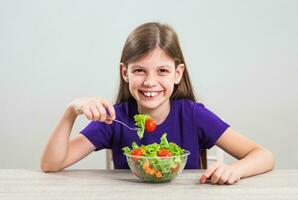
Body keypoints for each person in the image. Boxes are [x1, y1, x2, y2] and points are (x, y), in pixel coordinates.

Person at [41, 22, 274, 185]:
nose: (150, 82)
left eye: (162, 71)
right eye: (139, 71)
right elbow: (51, 164)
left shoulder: (193, 115)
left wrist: (234, 170)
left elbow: (263, 155)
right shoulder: (114, 118)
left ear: (177, 73)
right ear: (125, 72)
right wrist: (72, 110)